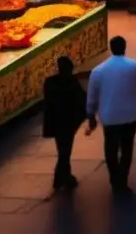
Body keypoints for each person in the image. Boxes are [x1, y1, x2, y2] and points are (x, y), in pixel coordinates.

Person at [86, 36, 136, 194]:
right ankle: (123, 179)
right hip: (130, 114)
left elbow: (92, 96)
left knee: (110, 148)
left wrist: (91, 116)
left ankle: (114, 177)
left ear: (111, 48)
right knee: (127, 148)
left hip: (109, 115)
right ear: (125, 47)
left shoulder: (98, 70)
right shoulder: (135, 66)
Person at [43, 56, 87, 191]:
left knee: (62, 149)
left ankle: (66, 177)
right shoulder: (71, 82)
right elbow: (82, 100)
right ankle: (60, 178)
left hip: (55, 122)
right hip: (68, 123)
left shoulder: (49, 82)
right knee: (65, 151)